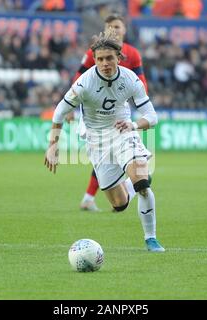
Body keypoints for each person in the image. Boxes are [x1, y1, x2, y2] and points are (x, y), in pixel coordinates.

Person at [44, 30, 165, 252]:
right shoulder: (84, 83)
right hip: (96, 141)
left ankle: (151, 238)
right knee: (119, 204)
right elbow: (60, 112)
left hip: (123, 131)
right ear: (95, 60)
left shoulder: (130, 79)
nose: (105, 63)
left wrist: (135, 125)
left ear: (118, 57)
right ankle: (130, 183)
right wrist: (53, 146)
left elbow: (152, 116)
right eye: (100, 59)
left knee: (143, 186)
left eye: (109, 58)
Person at [71, 13, 149, 212]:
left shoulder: (133, 54)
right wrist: (70, 107)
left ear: (124, 30)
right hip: (93, 112)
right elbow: (78, 78)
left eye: (117, 26)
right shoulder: (93, 53)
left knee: (114, 151)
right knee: (102, 152)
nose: (113, 30)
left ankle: (103, 193)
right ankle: (113, 191)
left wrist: (142, 105)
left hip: (120, 111)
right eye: (109, 27)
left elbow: (141, 83)